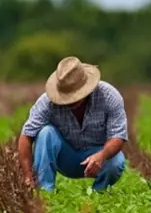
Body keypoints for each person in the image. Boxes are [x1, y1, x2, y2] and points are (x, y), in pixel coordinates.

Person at [18, 56, 127, 192]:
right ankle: (45, 192)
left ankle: (99, 193)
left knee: (116, 162)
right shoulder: (47, 102)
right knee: (46, 133)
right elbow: (26, 136)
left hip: (98, 156)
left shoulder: (109, 96)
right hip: (65, 157)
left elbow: (118, 136)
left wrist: (101, 155)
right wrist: (28, 176)